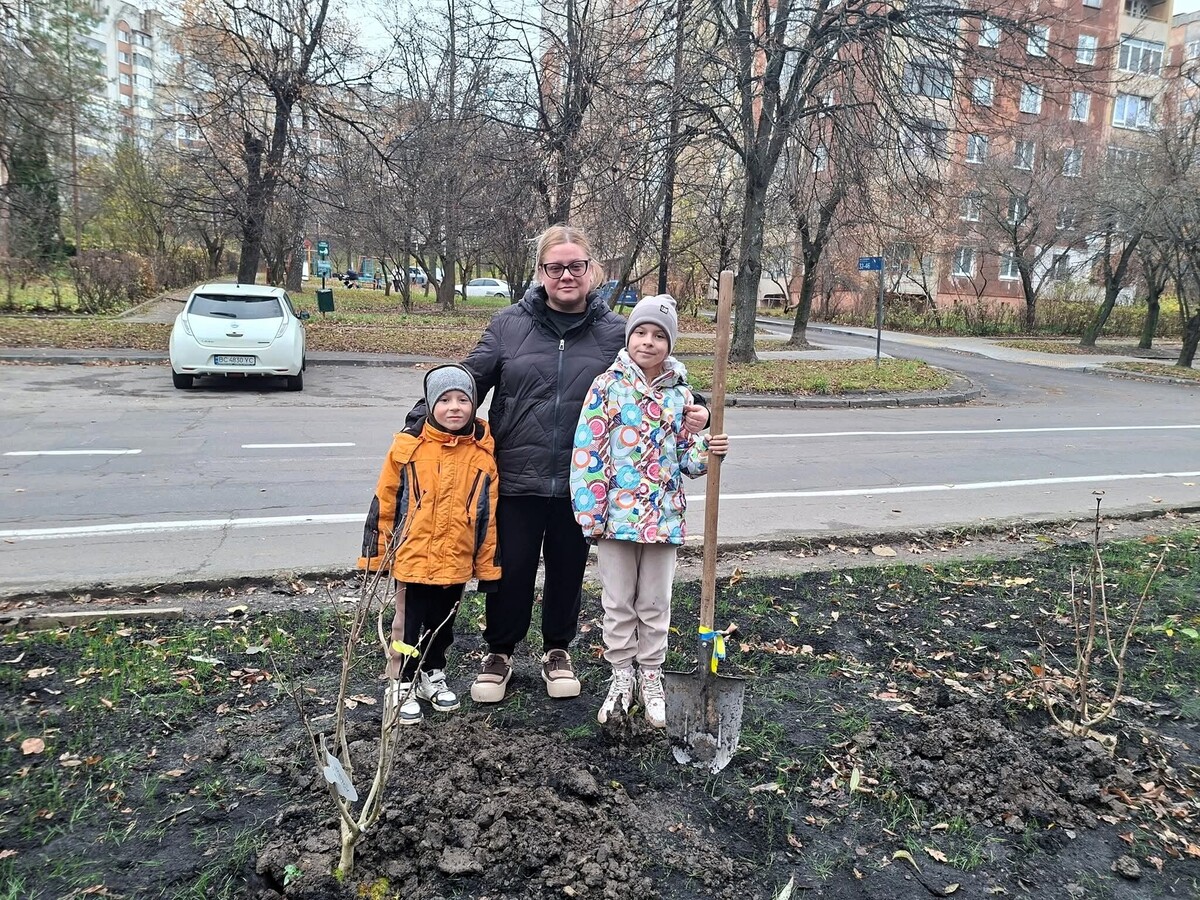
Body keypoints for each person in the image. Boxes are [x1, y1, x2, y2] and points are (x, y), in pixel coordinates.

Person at [405, 224, 708, 705]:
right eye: (555, 267)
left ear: (592, 271)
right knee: (510, 569)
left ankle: (557, 650)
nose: (565, 275)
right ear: (541, 272)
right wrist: (419, 423)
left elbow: (666, 379)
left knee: (568, 570)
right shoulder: (509, 325)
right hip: (517, 473)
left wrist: (702, 410)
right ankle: (500, 653)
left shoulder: (616, 333)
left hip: (585, 480)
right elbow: (467, 382)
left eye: (575, 266)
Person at [570, 294, 729, 727]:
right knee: (619, 602)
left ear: (670, 344)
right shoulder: (606, 386)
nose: (648, 342)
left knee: (655, 602)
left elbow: (687, 459)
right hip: (614, 520)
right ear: (629, 338)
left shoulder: (681, 396)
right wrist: (591, 513)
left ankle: (651, 676)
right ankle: (621, 678)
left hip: (662, 518)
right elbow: (588, 453)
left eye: (659, 335)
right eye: (641, 332)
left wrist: (707, 446)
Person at [359, 364, 502, 724]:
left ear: (473, 405)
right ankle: (401, 680)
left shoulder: (483, 456)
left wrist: (487, 567)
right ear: (429, 404)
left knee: (443, 625)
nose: (454, 407)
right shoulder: (408, 449)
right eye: (444, 400)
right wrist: (377, 557)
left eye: (462, 400)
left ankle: (431, 673)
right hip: (412, 557)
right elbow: (385, 501)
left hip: (456, 560)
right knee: (408, 624)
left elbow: (487, 517)